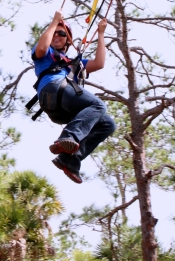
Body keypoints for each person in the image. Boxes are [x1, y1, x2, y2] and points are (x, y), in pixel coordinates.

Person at [32, 11, 116, 184]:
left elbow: (99, 63)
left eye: (62, 33)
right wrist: (55, 21)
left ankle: (69, 159)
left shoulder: (74, 63)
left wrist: (100, 34)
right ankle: (68, 137)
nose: (57, 35)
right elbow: (40, 49)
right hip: (53, 89)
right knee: (98, 106)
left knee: (108, 124)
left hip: (61, 108)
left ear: (68, 40)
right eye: (54, 31)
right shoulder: (45, 51)